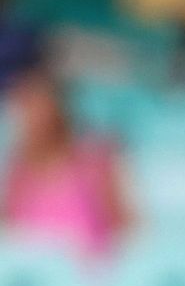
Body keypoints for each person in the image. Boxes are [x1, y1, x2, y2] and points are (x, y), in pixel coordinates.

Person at [1, 69, 131, 262]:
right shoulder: (18, 169)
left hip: (85, 278)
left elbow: (123, 228)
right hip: (30, 273)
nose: (31, 119)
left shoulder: (94, 161)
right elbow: (7, 227)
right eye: (26, 109)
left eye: (39, 109)